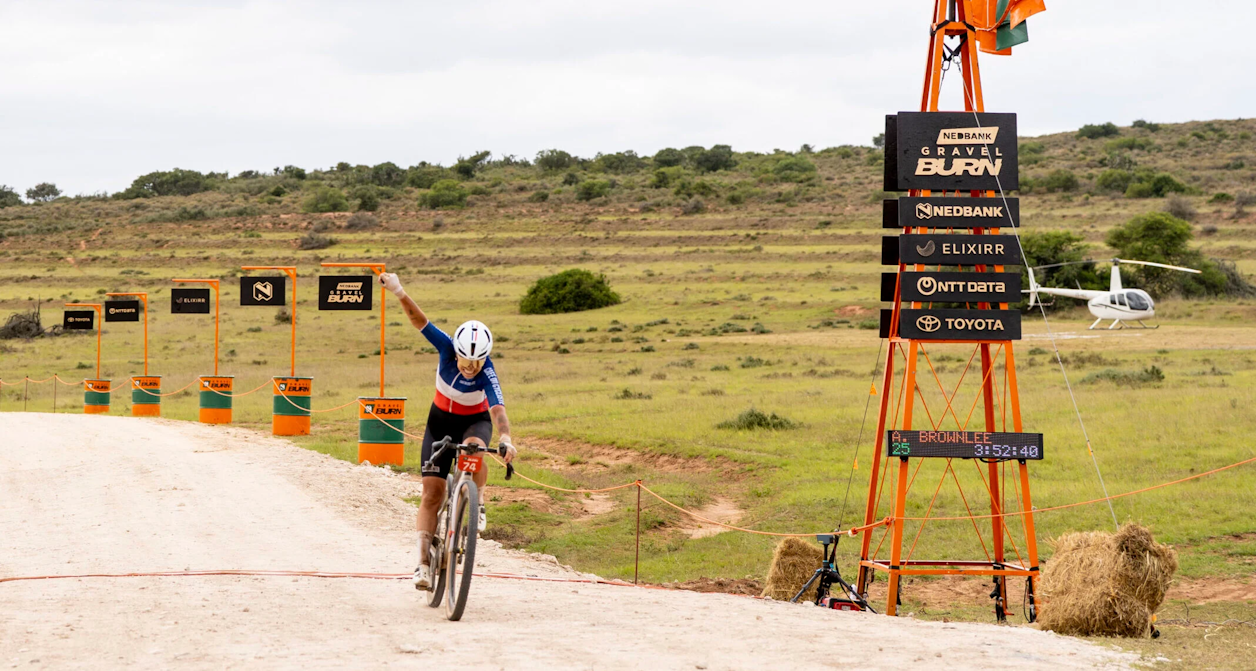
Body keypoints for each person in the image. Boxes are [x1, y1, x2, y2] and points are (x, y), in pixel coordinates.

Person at [378, 272, 517, 590]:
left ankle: (478, 500)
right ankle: (422, 565)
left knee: (475, 448)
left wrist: (506, 438)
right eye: (466, 360)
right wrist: (398, 291)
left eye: (478, 362)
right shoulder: (445, 347)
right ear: (456, 351)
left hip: (473, 422)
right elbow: (420, 321)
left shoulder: (487, 370)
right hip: (439, 423)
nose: (471, 368)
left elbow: (497, 408)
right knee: (431, 495)